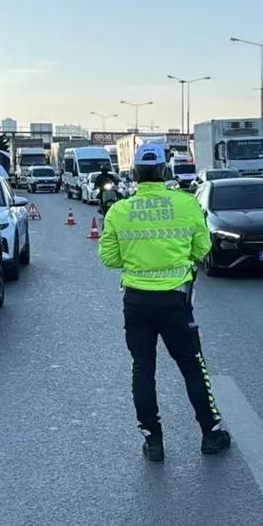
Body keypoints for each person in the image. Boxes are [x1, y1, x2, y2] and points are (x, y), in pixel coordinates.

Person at [98, 142, 232, 461]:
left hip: (136, 302)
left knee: (143, 369)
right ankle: (210, 434)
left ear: (135, 173)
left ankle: (153, 442)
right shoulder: (185, 204)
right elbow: (202, 250)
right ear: (164, 170)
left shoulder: (120, 210)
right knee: (191, 365)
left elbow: (108, 257)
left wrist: (138, 263)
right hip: (175, 300)